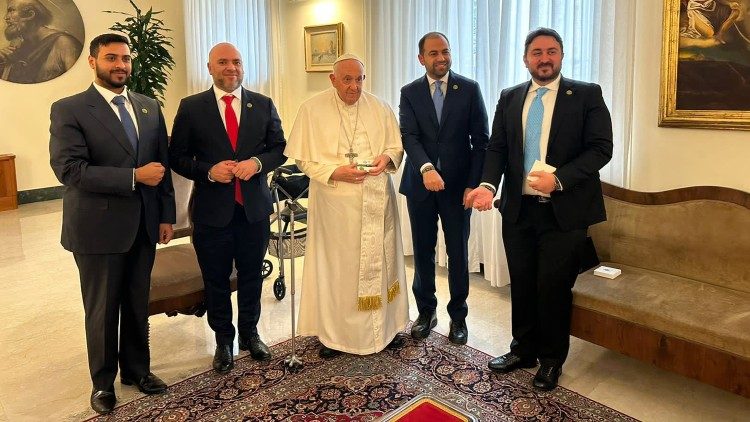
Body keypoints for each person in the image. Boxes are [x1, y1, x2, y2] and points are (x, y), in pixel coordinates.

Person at [466, 27, 613, 391]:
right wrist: (487, 186)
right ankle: (523, 350)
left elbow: (601, 148)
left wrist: (559, 179)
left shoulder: (586, 94)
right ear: (525, 58)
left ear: (561, 55)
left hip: (564, 213)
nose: (544, 58)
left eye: (551, 51)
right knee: (524, 283)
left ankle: (550, 360)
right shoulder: (510, 96)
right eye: (536, 52)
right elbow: (497, 148)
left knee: (553, 287)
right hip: (518, 211)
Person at [49, 33, 175, 414]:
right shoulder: (70, 108)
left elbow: (162, 168)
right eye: (111, 58)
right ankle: (102, 384)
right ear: (93, 62)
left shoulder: (149, 106)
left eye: (125, 58)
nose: (120, 65)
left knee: (137, 302)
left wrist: (166, 215)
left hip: (145, 224)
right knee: (102, 309)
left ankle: (138, 370)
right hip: (97, 228)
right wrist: (133, 177)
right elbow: (69, 169)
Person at [169, 42, 286, 374]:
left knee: (251, 275)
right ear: (210, 68)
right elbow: (176, 156)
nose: (231, 67)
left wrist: (257, 163)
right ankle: (224, 341)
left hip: (254, 211)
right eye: (223, 62)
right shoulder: (191, 107)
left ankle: (250, 334)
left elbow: (279, 148)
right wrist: (207, 170)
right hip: (211, 212)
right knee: (216, 279)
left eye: (236, 61)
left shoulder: (262, 104)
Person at [285, 54, 409, 358]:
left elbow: (395, 146)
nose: (355, 87)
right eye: (348, 79)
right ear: (333, 79)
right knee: (339, 269)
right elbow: (304, 158)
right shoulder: (312, 109)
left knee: (382, 261)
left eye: (360, 79)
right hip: (336, 204)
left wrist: (387, 159)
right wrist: (334, 172)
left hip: (377, 199)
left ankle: (386, 329)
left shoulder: (379, 106)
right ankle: (335, 336)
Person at [399, 32, 489, 345]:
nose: (441, 58)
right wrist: (426, 168)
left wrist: (473, 186)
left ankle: (459, 316)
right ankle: (426, 312)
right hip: (420, 184)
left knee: (458, 253)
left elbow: (481, 141)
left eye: (446, 52)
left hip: (458, 189)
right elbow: (409, 136)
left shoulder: (469, 88)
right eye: (434, 53)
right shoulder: (409, 92)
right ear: (421, 58)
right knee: (423, 251)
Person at [0, 0, 83, 83]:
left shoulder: (65, 44)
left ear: (30, 14)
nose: (6, 17)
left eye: (11, 10)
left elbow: (78, 83)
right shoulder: (18, 47)